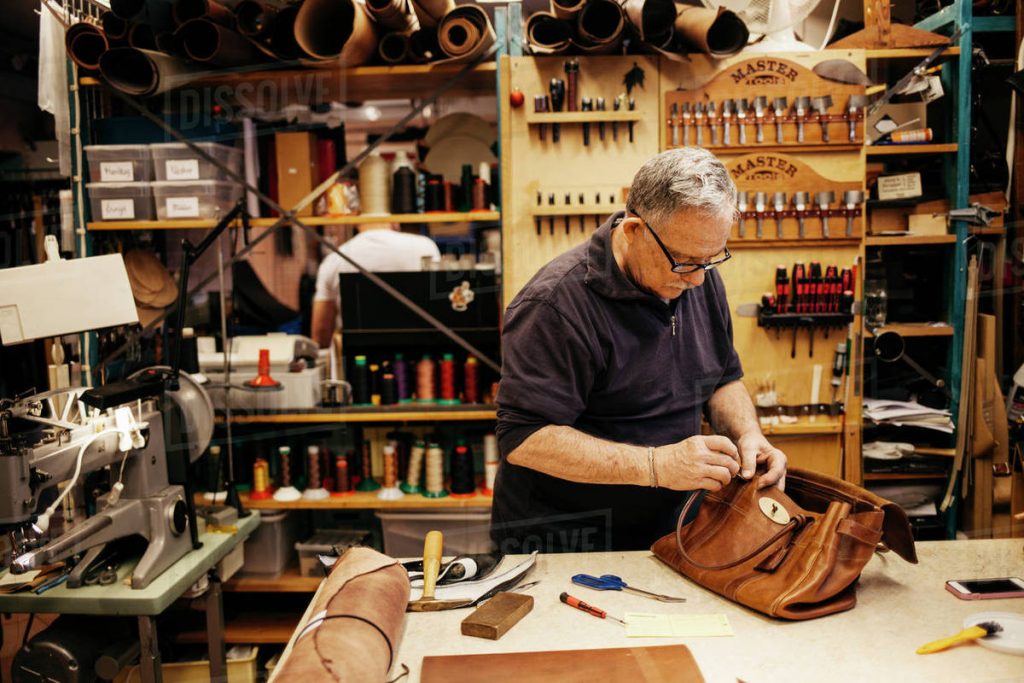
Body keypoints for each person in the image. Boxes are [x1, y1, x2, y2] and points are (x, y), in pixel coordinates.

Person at [492, 148, 787, 553]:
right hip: (565, 542)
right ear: (633, 230)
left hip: (670, 530)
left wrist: (749, 435)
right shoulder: (554, 305)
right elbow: (524, 438)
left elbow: (721, 378)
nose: (698, 280)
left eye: (710, 260)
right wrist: (655, 466)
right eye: (683, 261)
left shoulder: (697, 276)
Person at [311, 223, 441, 348]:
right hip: (419, 354)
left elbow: (321, 334)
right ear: (395, 221)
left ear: (355, 223)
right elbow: (439, 309)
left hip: (356, 356)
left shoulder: (334, 259)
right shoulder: (425, 247)